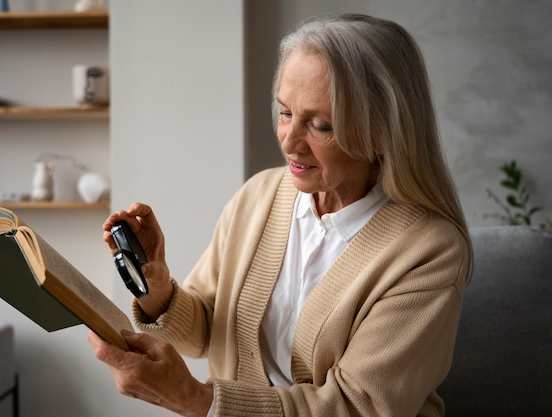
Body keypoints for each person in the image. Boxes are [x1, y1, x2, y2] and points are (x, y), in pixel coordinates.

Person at [88, 13, 473, 417]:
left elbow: (360, 407)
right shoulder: (260, 195)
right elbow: (207, 330)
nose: (289, 141)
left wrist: (197, 400)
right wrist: (157, 288)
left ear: (382, 132)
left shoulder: (429, 251)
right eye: (285, 112)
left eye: (320, 125)